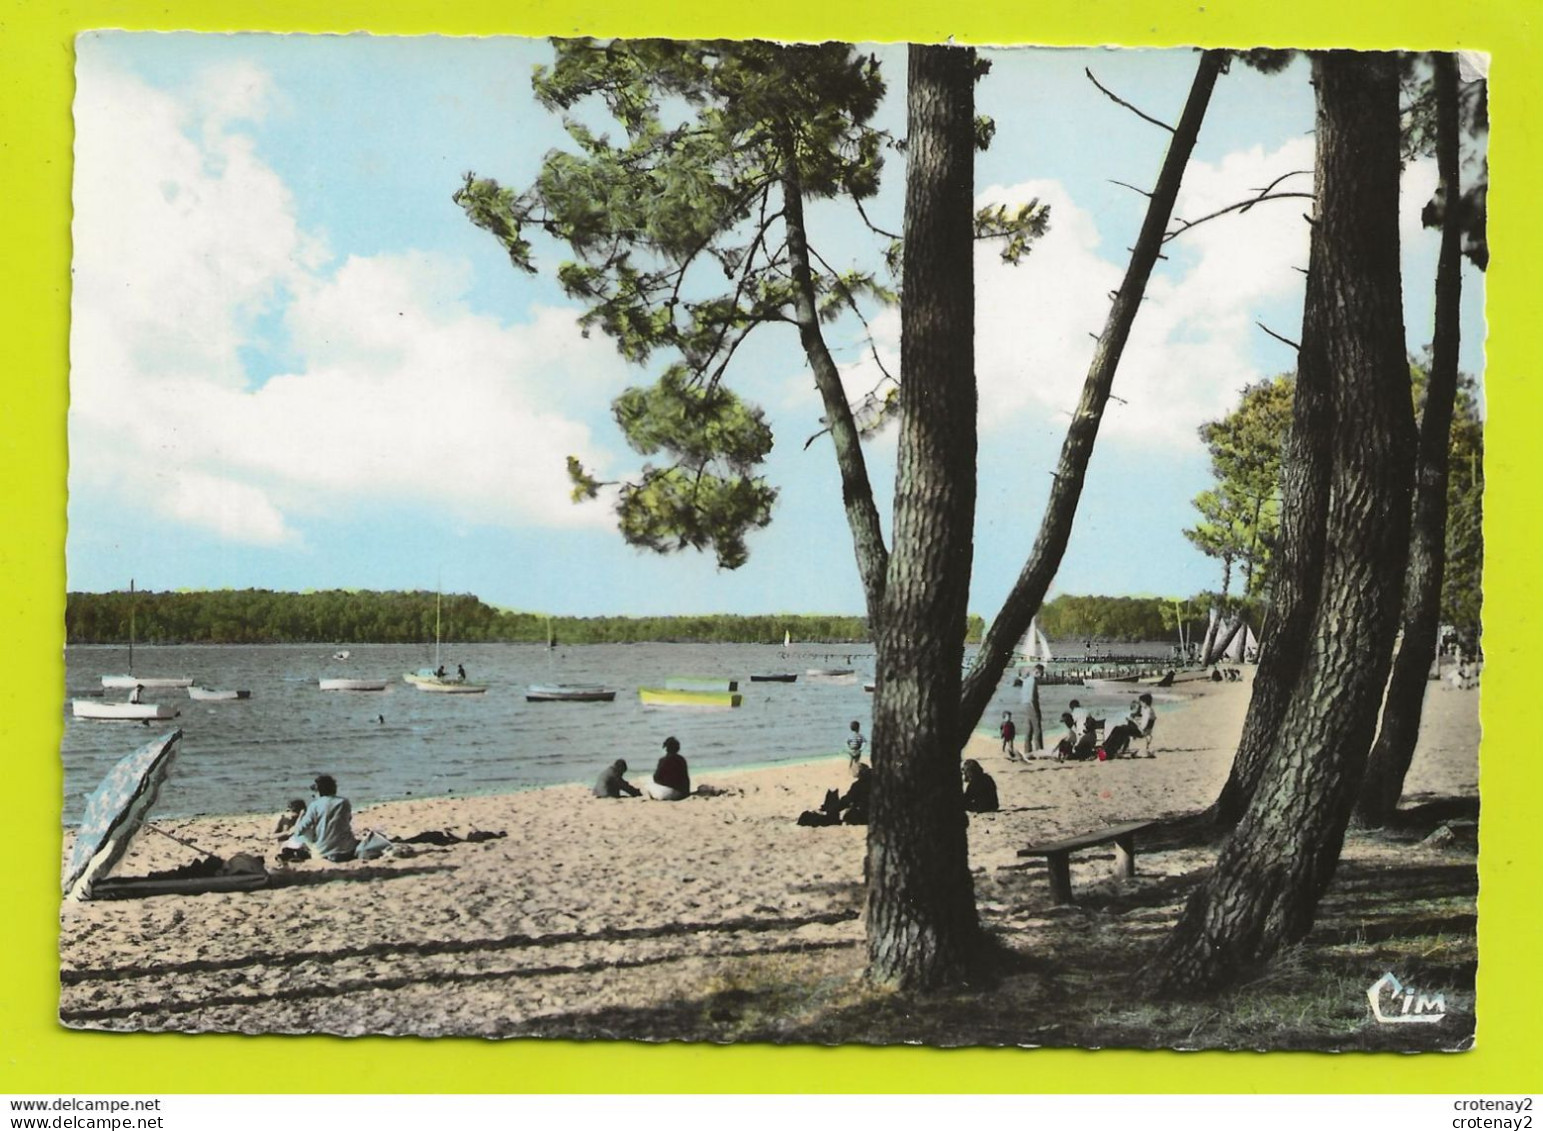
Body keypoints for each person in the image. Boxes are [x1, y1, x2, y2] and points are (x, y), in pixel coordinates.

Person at [276, 774, 358, 863]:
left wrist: (300, 817)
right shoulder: (344, 802)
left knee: (304, 838)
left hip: (323, 852)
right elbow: (347, 820)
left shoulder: (314, 805)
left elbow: (300, 830)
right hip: (347, 851)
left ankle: (294, 854)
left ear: (319, 791)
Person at [797, 762, 872, 827]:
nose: (852, 772)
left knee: (834, 800)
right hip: (872, 813)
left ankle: (826, 810)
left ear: (858, 772)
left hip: (863, 815)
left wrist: (830, 811)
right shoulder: (876, 780)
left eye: (854, 770)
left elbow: (846, 801)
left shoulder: (858, 785)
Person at [646, 736, 691, 801]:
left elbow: (656, 777)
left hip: (668, 793)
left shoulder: (663, 760)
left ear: (666, 748)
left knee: (648, 782)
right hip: (681, 793)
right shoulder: (682, 760)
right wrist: (686, 792)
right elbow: (686, 778)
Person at [1020, 664, 1045, 753]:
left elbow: (1023, 695)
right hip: (1031, 705)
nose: (1041, 676)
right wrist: (1036, 710)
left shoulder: (1026, 680)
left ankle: (1027, 750)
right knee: (1037, 728)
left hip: (1025, 704)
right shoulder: (1033, 681)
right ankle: (1039, 749)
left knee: (1029, 728)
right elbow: (1032, 698)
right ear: (1036, 672)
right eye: (1041, 674)